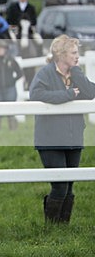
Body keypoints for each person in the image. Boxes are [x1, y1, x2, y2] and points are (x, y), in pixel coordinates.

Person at [29, 35, 95, 223]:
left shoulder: (76, 73)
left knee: (70, 184)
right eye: (74, 53)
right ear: (61, 54)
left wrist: (77, 73)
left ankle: (63, 227)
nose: (77, 56)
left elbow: (91, 93)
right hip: (50, 138)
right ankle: (52, 226)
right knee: (60, 185)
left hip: (74, 137)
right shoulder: (45, 73)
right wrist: (68, 94)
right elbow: (36, 94)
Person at [5, 0, 40, 89]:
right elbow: (9, 20)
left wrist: (28, 25)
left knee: (39, 41)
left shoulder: (31, 7)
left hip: (28, 31)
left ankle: (39, 55)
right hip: (16, 31)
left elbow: (34, 21)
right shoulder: (13, 7)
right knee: (10, 41)